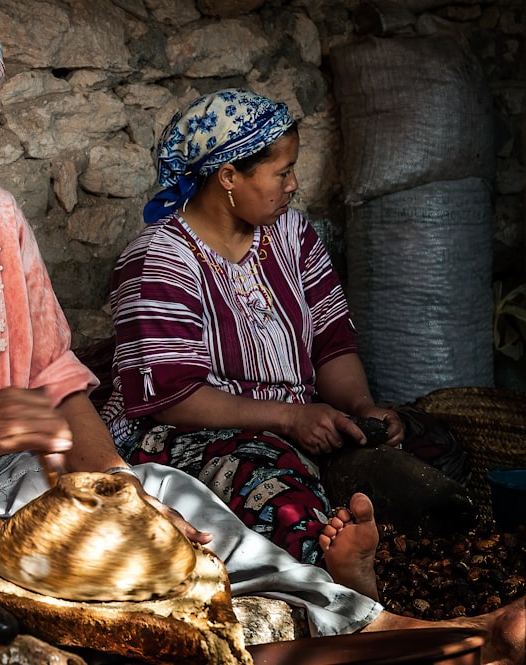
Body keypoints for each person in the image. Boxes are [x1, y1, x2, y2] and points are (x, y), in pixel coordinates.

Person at [0, 20, 523, 664]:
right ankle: (40, 604)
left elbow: (57, 380)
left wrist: (121, 500)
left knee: (169, 497)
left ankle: (387, 625)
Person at [99, 88, 465, 568]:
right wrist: (289, 418)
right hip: (187, 430)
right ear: (228, 176)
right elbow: (173, 398)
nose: (293, 185)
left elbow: (332, 342)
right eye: (282, 171)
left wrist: (362, 409)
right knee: (275, 492)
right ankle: (341, 571)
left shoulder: (293, 235)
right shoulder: (159, 259)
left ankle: (364, 512)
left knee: (433, 442)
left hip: (298, 419)